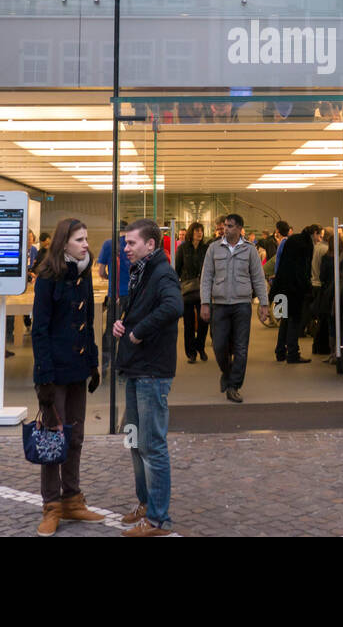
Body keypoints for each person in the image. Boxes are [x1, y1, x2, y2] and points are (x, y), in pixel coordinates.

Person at [32, 218, 105, 534]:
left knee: (75, 436)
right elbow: (40, 330)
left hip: (77, 369)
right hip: (55, 370)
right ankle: (52, 506)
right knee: (52, 438)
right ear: (64, 243)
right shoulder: (48, 277)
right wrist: (44, 377)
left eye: (86, 239)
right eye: (79, 239)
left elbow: (87, 321)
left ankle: (73, 499)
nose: (86, 244)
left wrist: (93, 363)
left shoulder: (84, 273)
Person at [112, 219, 181, 537]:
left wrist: (139, 331)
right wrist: (123, 324)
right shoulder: (143, 271)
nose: (125, 249)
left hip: (152, 372)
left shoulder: (162, 272)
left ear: (150, 245)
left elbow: (173, 306)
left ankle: (158, 519)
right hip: (137, 367)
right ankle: (146, 504)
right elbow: (146, 309)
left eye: (131, 243)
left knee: (152, 445)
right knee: (134, 441)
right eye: (125, 243)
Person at [199, 212, 270, 403]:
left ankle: (233, 385)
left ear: (239, 228)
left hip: (242, 304)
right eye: (224, 226)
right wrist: (205, 302)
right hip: (220, 304)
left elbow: (258, 278)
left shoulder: (250, 250)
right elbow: (206, 277)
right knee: (219, 345)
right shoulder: (214, 248)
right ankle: (228, 371)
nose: (225, 229)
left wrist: (264, 303)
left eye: (230, 226)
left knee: (241, 347)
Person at [271, 227, 314, 364]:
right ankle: (293, 353)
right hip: (294, 290)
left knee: (284, 319)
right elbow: (304, 271)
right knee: (294, 320)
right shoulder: (303, 250)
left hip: (280, 287)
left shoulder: (289, 243)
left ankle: (280, 351)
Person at [96, 221, 129, 375]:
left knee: (111, 330)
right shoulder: (132, 244)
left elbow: (101, 271)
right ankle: (124, 365)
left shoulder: (108, 244)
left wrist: (111, 278)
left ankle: (104, 364)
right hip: (133, 294)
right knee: (130, 329)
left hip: (115, 294)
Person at [176, 222, 210, 363]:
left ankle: (200, 348)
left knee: (204, 321)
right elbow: (177, 269)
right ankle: (191, 353)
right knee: (189, 323)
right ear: (192, 233)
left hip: (203, 289)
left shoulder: (206, 248)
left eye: (201, 231)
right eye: (197, 231)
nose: (199, 233)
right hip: (187, 289)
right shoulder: (183, 248)